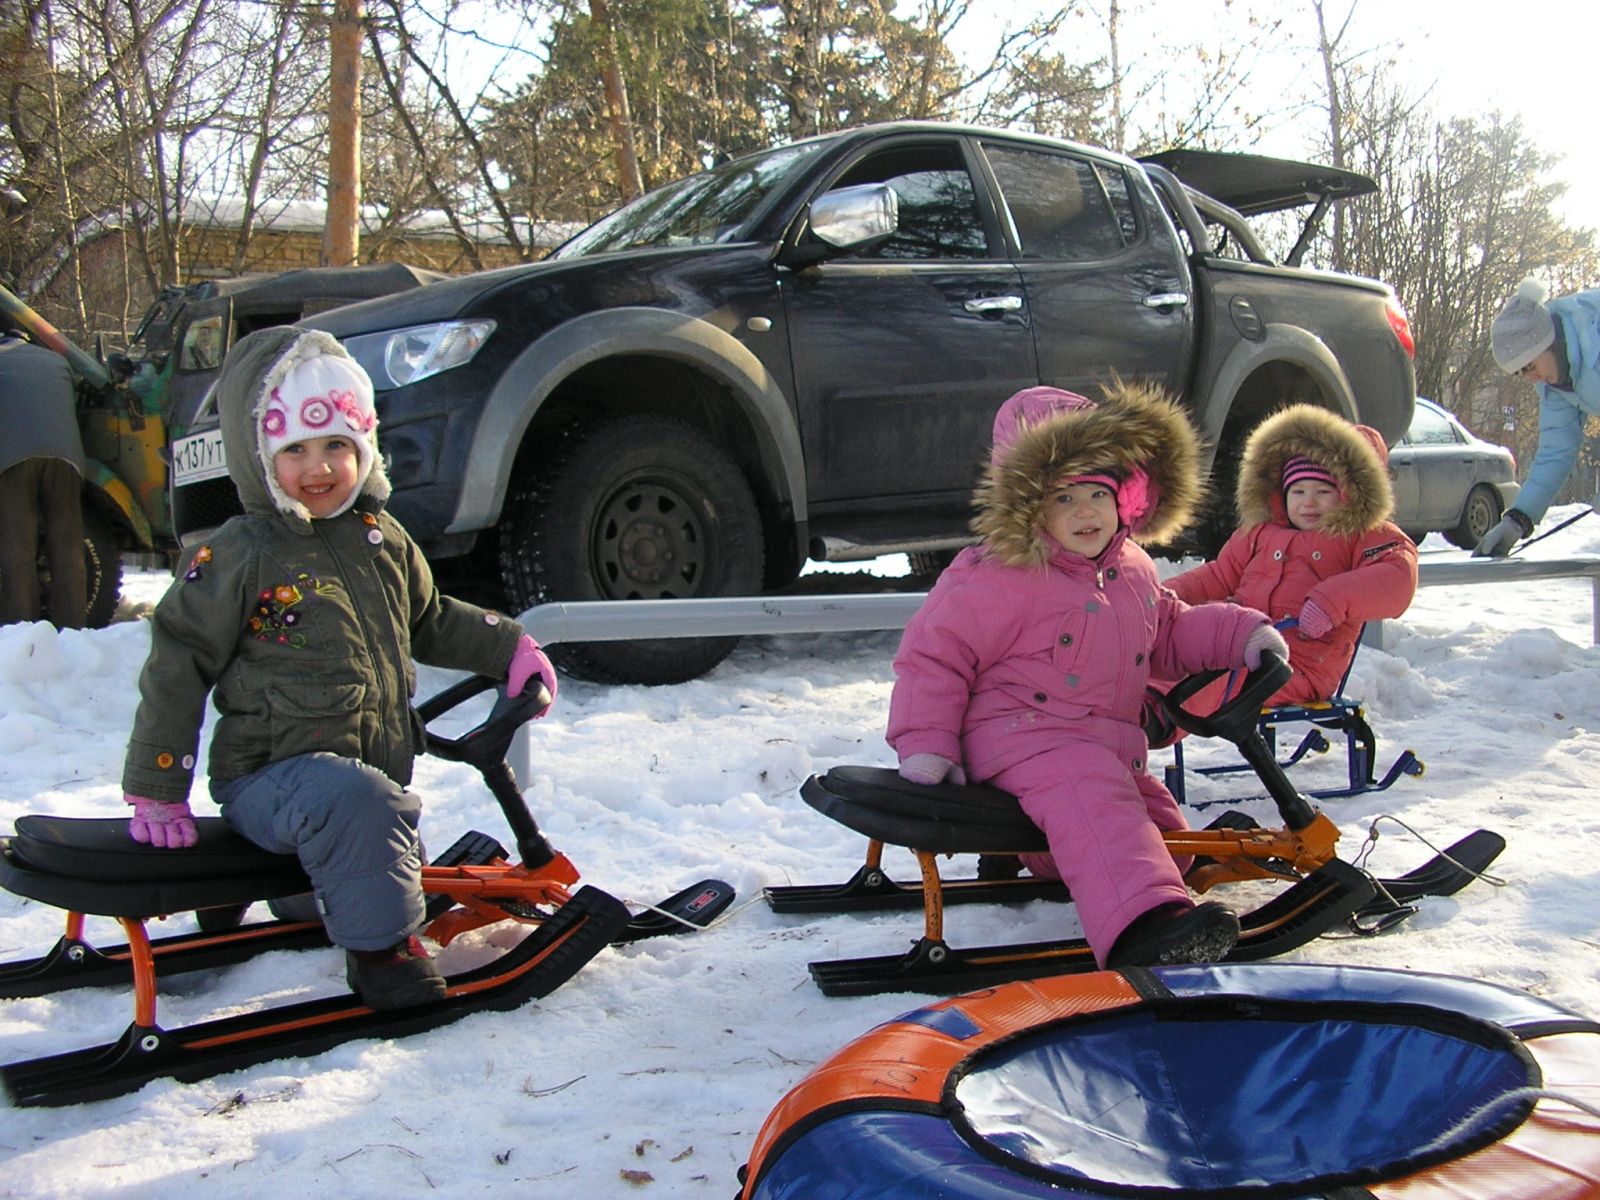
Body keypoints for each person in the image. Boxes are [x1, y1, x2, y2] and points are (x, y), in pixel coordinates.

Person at [119, 327, 559, 1010]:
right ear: (259, 456)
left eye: (336, 446)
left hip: (359, 780)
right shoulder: (241, 551)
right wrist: (158, 782)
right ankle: (384, 958)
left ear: (364, 447)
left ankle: (267, 896)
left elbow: (429, 618)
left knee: (373, 828)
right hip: (268, 775)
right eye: (294, 449)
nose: (318, 468)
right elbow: (180, 658)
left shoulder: (380, 539)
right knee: (365, 810)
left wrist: (507, 646)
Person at [885, 381, 1288, 969]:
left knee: (1162, 839)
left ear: (1126, 496)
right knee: (1096, 804)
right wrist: (925, 741)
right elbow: (934, 656)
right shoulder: (996, 574)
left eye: (1098, 493)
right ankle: (1143, 928)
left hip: (1104, 744)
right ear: (1028, 504)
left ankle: (1040, 858)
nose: (1085, 512)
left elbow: (1167, 630)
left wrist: (1239, 635)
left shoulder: (1133, 569)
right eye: (1064, 496)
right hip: (1020, 736)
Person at [1157, 404, 1418, 720]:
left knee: (1209, 683)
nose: (1309, 502)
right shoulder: (1259, 533)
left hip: (1298, 666)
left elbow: (1397, 576)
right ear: (1281, 494)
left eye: (1323, 491)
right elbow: (1219, 576)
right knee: (1167, 661)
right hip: (1241, 645)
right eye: (1299, 491)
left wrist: (1331, 602)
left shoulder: (1360, 535)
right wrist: (1162, 598)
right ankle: (1132, 710)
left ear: (1348, 495)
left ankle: (1152, 718)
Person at [1475, 278, 1600, 557]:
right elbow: (1555, 451)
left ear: (1547, 343)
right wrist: (1518, 518)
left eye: (1530, 366)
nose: (1532, 378)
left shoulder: (1594, 335)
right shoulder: (1556, 386)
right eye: (1522, 373)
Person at [0, 328, 87, 629]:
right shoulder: (57, 361)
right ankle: (73, 628)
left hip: (13, 460)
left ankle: (22, 628)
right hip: (66, 458)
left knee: (18, 551)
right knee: (67, 547)